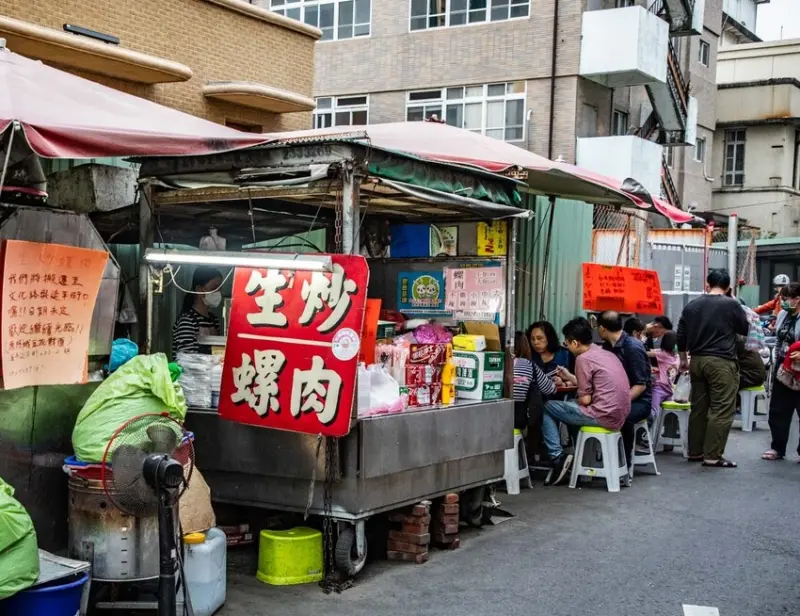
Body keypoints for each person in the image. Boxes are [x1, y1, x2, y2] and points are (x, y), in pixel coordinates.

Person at [541, 317, 631, 486]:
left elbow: (585, 399)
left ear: (574, 343)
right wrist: (570, 377)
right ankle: (578, 459)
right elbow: (594, 387)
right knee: (569, 407)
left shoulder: (583, 359)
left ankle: (557, 457)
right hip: (619, 415)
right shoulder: (603, 352)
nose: (566, 347)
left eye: (567, 343)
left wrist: (575, 400)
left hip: (602, 416)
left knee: (548, 407)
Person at [677, 269, 749, 468]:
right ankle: (712, 455)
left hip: (697, 361)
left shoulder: (692, 305)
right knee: (722, 409)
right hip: (721, 361)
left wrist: (683, 359)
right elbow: (744, 328)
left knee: (698, 408)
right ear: (728, 287)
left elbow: (681, 335)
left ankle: (695, 452)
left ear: (707, 284)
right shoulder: (731, 304)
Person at [596, 311, 653, 468]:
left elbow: (641, 385)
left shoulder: (633, 347)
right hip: (614, 399)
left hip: (639, 401)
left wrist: (618, 403)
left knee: (623, 416)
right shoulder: (606, 348)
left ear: (602, 328)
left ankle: (623, 464)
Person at [762, 282, 800, 461]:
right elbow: (778, 340)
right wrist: (776, 360)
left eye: (786, 298)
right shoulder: (783, 314)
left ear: (797, 299)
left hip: (799, 369)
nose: (783, 302)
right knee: (778, 409)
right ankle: (777, 447)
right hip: (783, 366)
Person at [172, 266, 224, 355]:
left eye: (220, 289)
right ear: (199, 289)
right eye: (214, 288)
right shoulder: (187, 322)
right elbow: (186, 360)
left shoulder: (214, 320)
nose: (218, 292)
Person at [512, 331, 556, 430]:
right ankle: (550, 445)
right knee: (547, 409)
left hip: (496, 416)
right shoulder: (529, 364)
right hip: (520, 418)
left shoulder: (498, 363)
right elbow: (550, 389)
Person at [649, 330, 679, 426]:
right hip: (659, 388)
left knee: (668, 413)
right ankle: (648, 434)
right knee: (654, 411)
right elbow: (647, 353)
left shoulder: (677, 356)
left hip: (669, 389)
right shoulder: (663, 354)